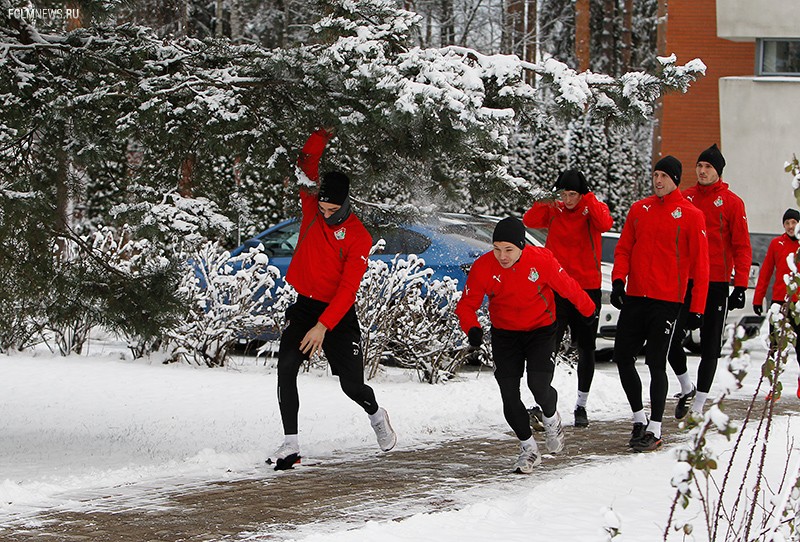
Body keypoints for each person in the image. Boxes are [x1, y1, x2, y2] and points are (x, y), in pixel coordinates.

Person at [271, 127, 397, 470]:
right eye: (322, 208)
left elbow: (347, 290)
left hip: (337, 315)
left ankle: (376, 414)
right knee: (286, 369)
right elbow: (306, 163)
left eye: (332, 210)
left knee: (352, 386)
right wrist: (322, 132)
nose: (325, 215)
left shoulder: (358, 237)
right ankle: (291, 445)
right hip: (304, 306)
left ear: (345, 204)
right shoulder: (311, 208)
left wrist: (323, 327)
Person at [455, 217, 596, 474]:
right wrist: (472, 327)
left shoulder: (541, 260)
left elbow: (567, 287)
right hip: (505, 334)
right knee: (509, 393)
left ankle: (551, 419)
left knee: (538, 385)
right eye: (497, 248)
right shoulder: (484, 267)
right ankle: (528, 448)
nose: (502, 256)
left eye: (509, 249)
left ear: (521, 246)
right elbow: (466, 305)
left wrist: (587, 309)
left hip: (541, 330)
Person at [610, 156, 709, 452]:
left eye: (664, 175)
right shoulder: (640, 209)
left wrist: (697, 310)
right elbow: (624, 248)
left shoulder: (691, 215)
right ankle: (639, 420)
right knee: (623, 356)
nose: (658, 180)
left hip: (667, 301)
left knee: (656, 362)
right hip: (636, 297)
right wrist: (618, 281)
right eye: (655, 174)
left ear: (676, 179)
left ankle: (655, 428)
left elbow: (702, 268)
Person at [523, 169, 613, 427]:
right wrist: (548, 199)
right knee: (548, 344)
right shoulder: (555, 209)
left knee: (586, 348)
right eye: (564, 194)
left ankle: (581, 405)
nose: (568, 199)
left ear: (581, 193)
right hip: (557, 287)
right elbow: (529, 219)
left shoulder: (591, 208)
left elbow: (605, 224)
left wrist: (589, 198)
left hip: (586, 288)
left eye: (573, 194)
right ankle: (544, 404)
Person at [667, 144, 752, 419]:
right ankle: (686, 386)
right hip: (683, 282)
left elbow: (742, 246)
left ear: (718, 172)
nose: (702, 171)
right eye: (700, 166)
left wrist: (739, 285)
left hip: (715, 282)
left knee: (710, 345)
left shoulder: (732, 202)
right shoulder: (684, 197)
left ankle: (699, 404)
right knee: (669, 339)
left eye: (708, 168)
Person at [753, 208, 800, 399]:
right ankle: (774, 387)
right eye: (787, 223)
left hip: (798, 304)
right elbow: (765, 272)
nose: (790, 226)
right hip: (779, 303)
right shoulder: (776, 243)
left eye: (794, 222)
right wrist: (758, 298)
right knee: (775, 347)